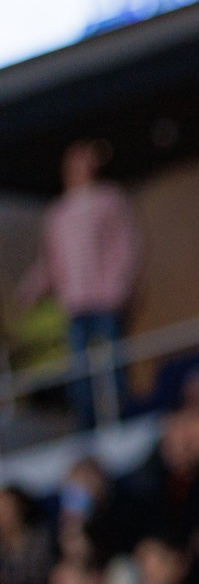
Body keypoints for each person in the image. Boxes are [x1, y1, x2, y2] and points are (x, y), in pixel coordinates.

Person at [14, 140, 140, 430]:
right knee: (80, 374)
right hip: (74, 304)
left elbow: (126, 246)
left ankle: (123, 421)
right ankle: (88, 428)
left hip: (106, 300)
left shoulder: (109, 199)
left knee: (112, 366)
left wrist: (119, 287)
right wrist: (30, 290)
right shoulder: (58, 213)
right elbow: (51, 261)